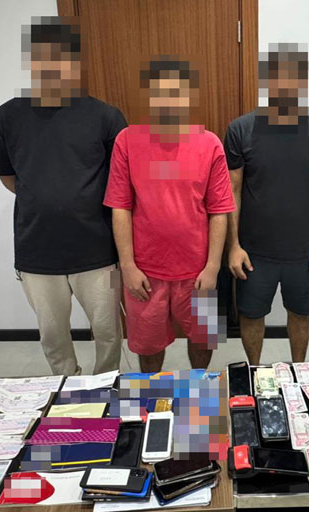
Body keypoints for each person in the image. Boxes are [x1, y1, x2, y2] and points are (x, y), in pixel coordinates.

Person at [0, 17, 126, 376]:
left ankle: (106, 383)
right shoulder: (7, 117)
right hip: (37, 251)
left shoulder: (105, 116)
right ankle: (66, 386)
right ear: (32, 61)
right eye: (43, 56)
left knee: (109, 331)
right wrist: (47, 197)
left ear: (74, 62)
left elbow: (121, 181)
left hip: (100, 251)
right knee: (52, 335)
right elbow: (7, 175)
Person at [104, 56, 235, 372]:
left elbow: (219, 210)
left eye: (175, 93)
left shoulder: (210, 144)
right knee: (147, 345)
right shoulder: (127, 141)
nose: (168, 101)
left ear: (189, 96)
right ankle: (153, 395)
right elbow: (121, 206)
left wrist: (213, 267)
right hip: (145, 271)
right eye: (160, 93)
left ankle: (198, 389)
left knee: (204, 339)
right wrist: (128, 265)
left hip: (199, 268)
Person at [224, 44, 309, 365]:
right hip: (253, 249)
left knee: (300, 314)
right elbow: (231, 190)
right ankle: (254, 370)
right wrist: (233, 245)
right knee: (251, 314)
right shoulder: (241, 129)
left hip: (305, 248)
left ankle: (298, 371)